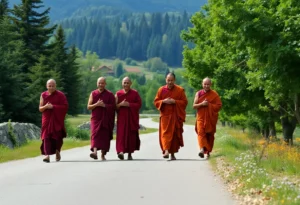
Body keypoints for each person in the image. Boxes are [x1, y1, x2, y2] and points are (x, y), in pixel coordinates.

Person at [154, 73, 188, 160]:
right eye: (168, 80)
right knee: (165, 134)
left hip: (175, 116)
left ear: (174, 80)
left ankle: (172, 154)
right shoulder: (161, 90)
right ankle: (166, 151)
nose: (170, 82)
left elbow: (184, 102)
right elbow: (156, 102)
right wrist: (163, 101)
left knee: (174, 135)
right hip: (165, 116)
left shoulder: (180, 90)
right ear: (165, 80)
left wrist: (175, 102)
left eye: (171, 80)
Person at [39, 79, 68, 163]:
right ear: (46, 86)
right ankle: (47, 155)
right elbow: (40, 108)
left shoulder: (61, 95)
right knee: (46, 137)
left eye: (52, 86)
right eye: (49, 86)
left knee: (57, 138)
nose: (51, 87)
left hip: (57, 120)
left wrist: (53, 107)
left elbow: (65, 107)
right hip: (46, 119)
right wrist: (46, 107)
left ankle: (57, 151)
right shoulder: (43, 95)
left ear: (55, 86)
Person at [87, 77, 115, 160]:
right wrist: (96, 104)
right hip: (96, 119)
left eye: (102, 83)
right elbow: (89, 106)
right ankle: (95, 152)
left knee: (104, 137)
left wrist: (105, 105)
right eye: (99, 83)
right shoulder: (93, 93)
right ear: (97, 83)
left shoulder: (110, 94)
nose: (101, 84)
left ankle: (103, 154)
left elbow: (113, 107)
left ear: (105, 84)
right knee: (95, 135)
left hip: (106, 119)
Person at [193, 77, 222, 158]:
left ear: (211, 84)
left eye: (208, 84)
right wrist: (202, 104)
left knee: (209, 135)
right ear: (202, 84)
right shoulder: (198, 93)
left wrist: (209, 105)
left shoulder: (214, 94)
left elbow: (219, 106)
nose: (206, 86)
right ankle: (202, 149)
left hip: (210, 118)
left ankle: (208, 150)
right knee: (201, 133)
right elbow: (194, 106)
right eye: (205, 84)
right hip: (201, 118)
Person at [115, 77, 142, 160]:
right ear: (122, 83)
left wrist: (129, 104)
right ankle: (121, 152)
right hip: (122, 119)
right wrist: (120, 105)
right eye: (124, 82)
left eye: (127, 83)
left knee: (131, 136)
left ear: (130, 84)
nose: (126, 84)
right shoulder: (118, 94)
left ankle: (130, 154)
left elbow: (139, 104)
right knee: (121, 136)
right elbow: (114, 107)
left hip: (132, 119)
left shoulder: (135, 93)